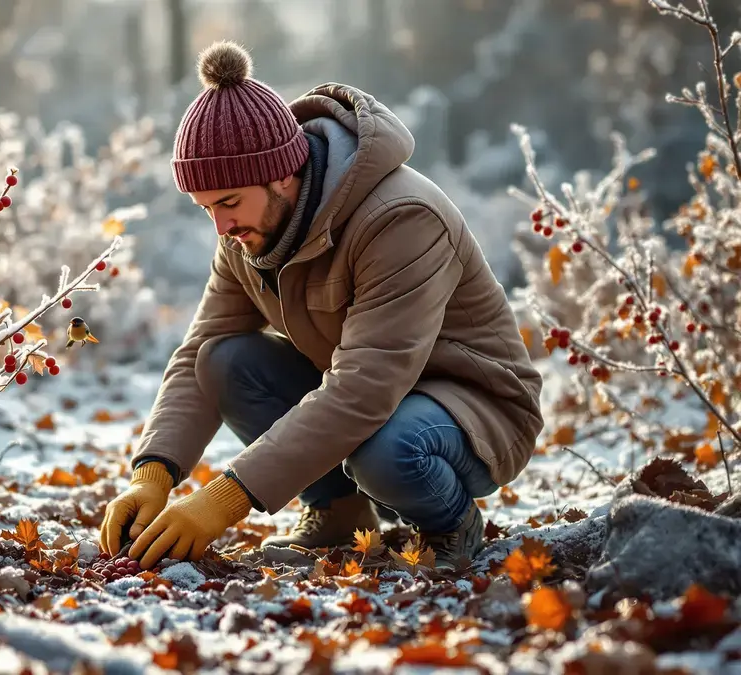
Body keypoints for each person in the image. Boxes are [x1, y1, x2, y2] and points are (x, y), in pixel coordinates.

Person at [98, 40, 544, 572]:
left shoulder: (401, 218)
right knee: (223, 359)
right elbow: (200, 350)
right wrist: (153, 475)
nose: (220, 227)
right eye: (205, 209)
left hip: (472, 410)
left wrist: (223, 501)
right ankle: (338, 514)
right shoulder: (249, 233)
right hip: (373, 402)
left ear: (282, 174)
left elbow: (364, 389)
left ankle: (451, 526)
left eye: (229, 203)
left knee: (385, 449)